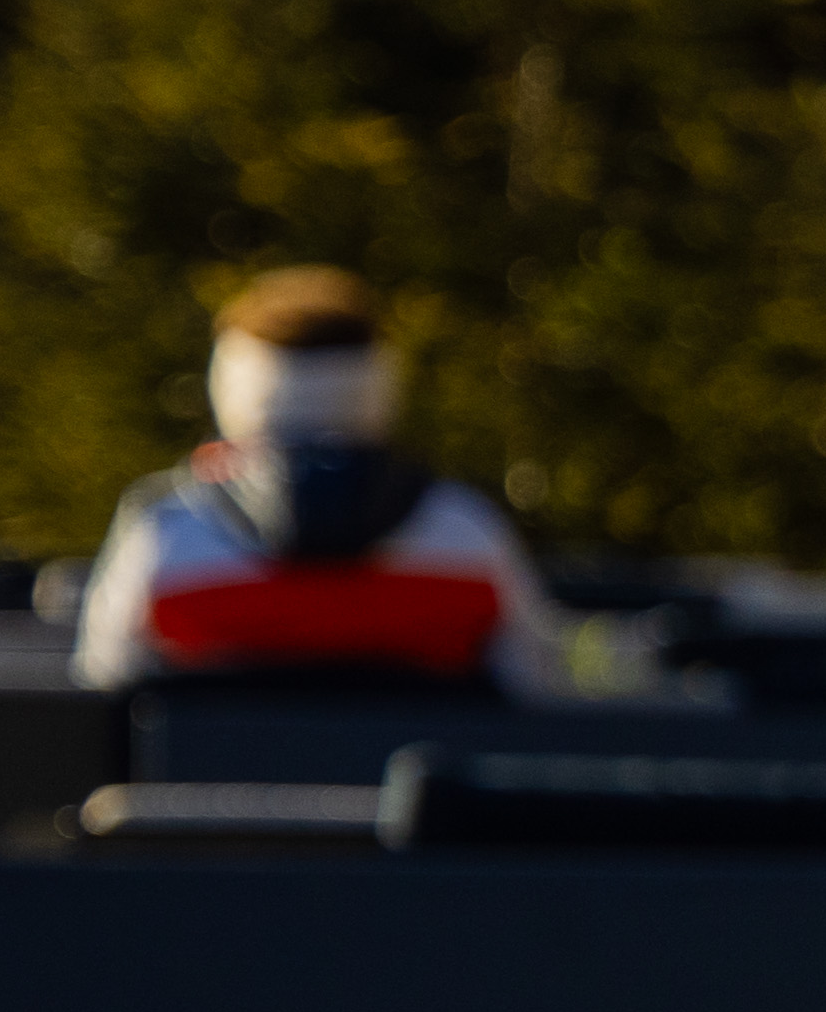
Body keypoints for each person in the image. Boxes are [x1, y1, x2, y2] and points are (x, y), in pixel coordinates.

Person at [66, 268, 567, 693]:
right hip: (408, 809)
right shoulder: (469, 531)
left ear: (233, 380)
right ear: (380, 382)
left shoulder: (166, 529)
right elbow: (534, 682)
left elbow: (107, 680)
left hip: (213, 805)